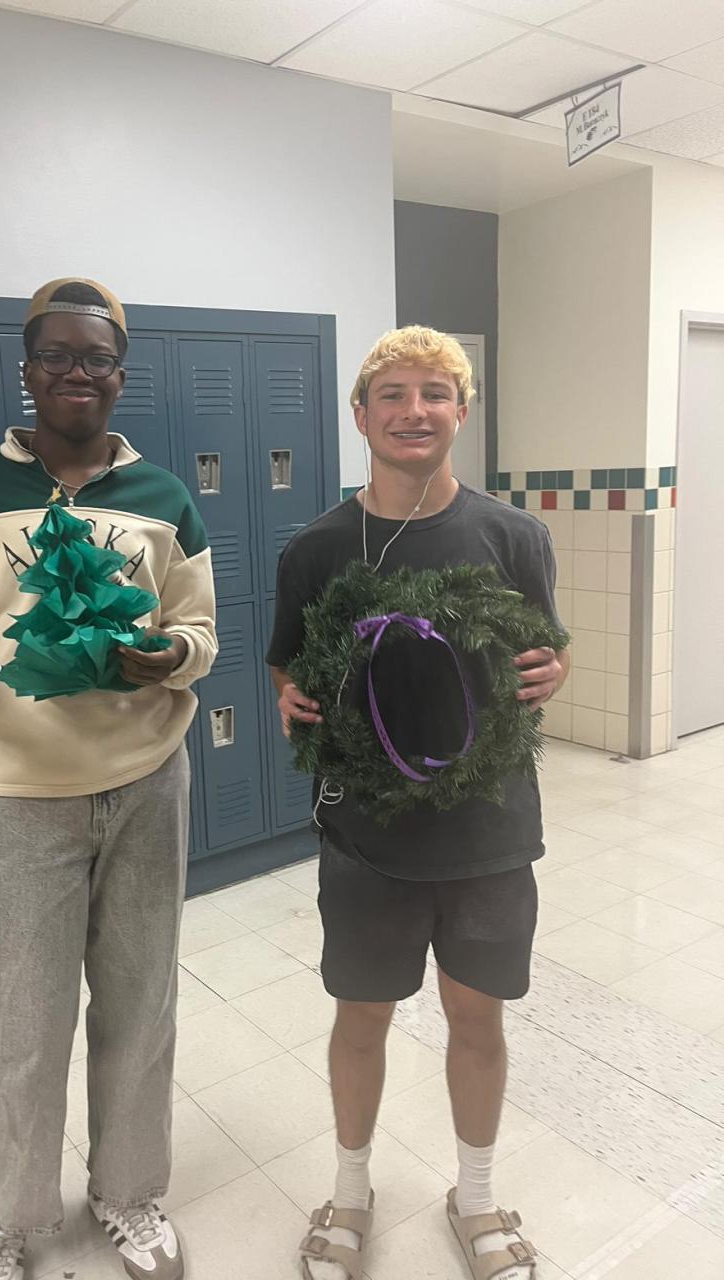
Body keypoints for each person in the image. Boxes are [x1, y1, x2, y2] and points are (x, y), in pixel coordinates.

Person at [0, 277, 217, 1280]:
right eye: (58, 355)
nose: (79, 372)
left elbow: (201, 627)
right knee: (21, 1017)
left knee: (140, 1005)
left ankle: (128, 1192)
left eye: (97, 358)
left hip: (148, 779)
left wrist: (173, 656)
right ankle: (8, 1216)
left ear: (120, 375)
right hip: (24, 792)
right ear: (27, 370)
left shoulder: (164, 497)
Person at [266, 326, 568, 1280]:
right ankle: (350, 1192)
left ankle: (474, 1199)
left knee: (478, 1020)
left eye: (434, 393)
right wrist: (288, 697)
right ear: (360, 416)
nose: (414, 411)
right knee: (362, 1018)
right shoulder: (318, 548)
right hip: (367, 840)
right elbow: (286, 663)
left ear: (460, 412)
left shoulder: (514, 537)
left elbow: (545, 651)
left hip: (489, 836)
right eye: (392, 394)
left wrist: (557, 670)